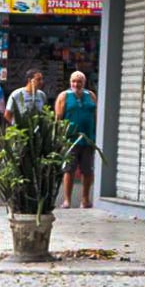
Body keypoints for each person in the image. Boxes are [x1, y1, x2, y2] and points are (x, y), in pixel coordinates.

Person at [55, 71, 97, 208]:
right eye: (73, 81)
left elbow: (96, 115)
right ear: (70, 82)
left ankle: (85, 199)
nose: (76, 84)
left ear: (84, 83)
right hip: (70, 140)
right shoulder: (64, 96)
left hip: (88, 139)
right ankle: (67, 200)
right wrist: (59, 138)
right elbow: (58, 118)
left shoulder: (90, 95)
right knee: (69, 170)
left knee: (88, 170)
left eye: (79, 81)